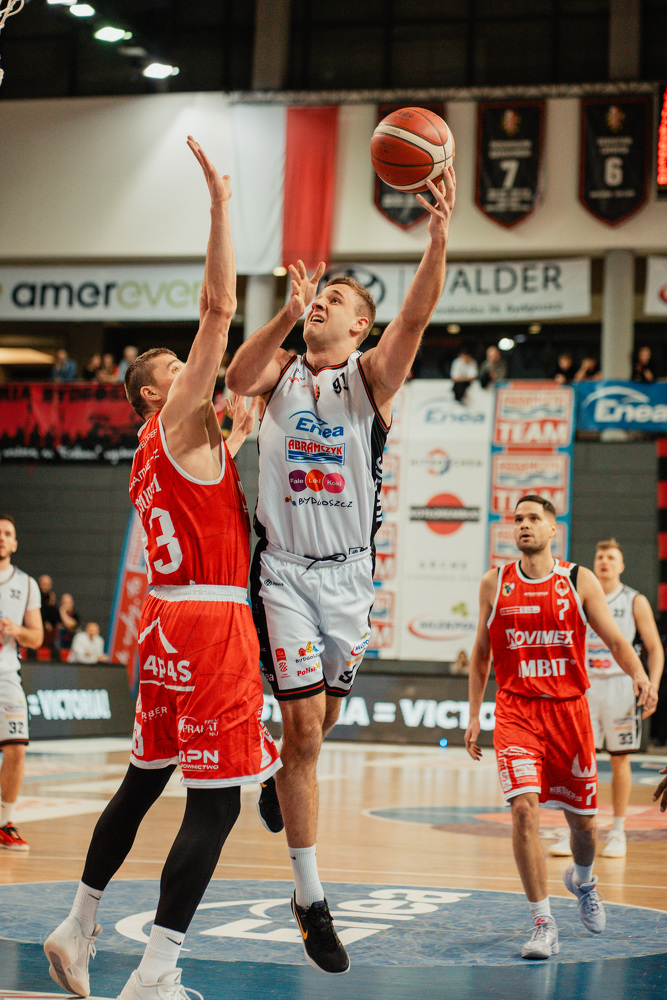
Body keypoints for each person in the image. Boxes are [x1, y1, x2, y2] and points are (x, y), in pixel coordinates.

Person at [44, 137, 280, 1000]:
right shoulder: (178, 413)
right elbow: (218, 307)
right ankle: (155, 973)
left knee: (143, 780)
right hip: (212, 623)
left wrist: (241, 427)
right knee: (214, 803)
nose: (194, 374)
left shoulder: (156, 451)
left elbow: (217, 459)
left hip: (165, 620)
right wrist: (221, 206)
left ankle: (78, 922)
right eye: (179, 371)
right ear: (154, 394)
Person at [225, 165, 456, 975]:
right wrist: (283, 315)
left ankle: (279, 780)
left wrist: (437, 238)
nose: (319, 302)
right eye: (316, 297)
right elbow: (235, 378)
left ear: (361, 326)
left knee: (317, 726)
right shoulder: (280, 373)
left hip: (350, 580)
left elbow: (416, 315)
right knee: (302, 737)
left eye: (334, 300)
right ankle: (310, 897)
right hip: (285, 574)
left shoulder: (370, 381)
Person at [464, 495, 657, 961]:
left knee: (584, 826)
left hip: (569, 713)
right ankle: (543, 922)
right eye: (518, 519)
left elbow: (616, 640)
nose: (524, 525)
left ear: (553, 529)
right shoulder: (495, 582)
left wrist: (640, 675)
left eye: (534, 518)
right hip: (516, 711)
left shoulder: (577, 579)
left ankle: (584, 881)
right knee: (523, 810)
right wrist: (472, 714)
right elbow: (481, 654)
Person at [549, 539, 664, 859]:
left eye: (611, 557)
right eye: (600, 556)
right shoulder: (580, 595)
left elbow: (655, 648)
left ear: (621, 565)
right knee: (578, 761)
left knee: (620, 759)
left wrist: (652, 685)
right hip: (584, 685)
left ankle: (617, 832)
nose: (604, 562)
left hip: (620, 686)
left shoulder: (634, 600)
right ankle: (574, 830)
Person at [0, 515, 44, 851]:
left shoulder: (26, 584)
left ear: (14, 543)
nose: (1, 538)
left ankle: (4, 822)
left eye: (7, 534)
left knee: (16, 749)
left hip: (6, 675)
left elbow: (37, 637)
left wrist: (16, 630)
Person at [53, 592, 81, 659]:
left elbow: (70, 624)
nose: (66, 605)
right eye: (64, 603)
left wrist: (62, 612)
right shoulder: (55, 614)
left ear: (72, 603)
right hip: (58, 645)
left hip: (71, 644)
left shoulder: (75, 615)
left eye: (68, 602)